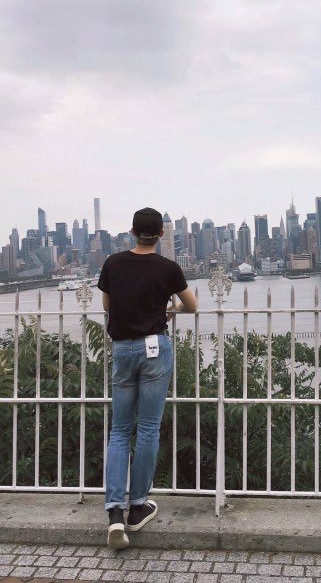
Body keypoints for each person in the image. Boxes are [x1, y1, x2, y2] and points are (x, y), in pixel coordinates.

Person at [98, 207, 198, 550]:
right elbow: (192, 305)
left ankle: (114, 512)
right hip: (155, 348)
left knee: (120, 430)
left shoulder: (113, 263)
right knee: (149, 428)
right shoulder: (168, 268)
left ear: (132, 232)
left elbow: (108, 306)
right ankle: (138, 506)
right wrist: (171, 309)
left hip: (123, 349)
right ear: (161, 235)